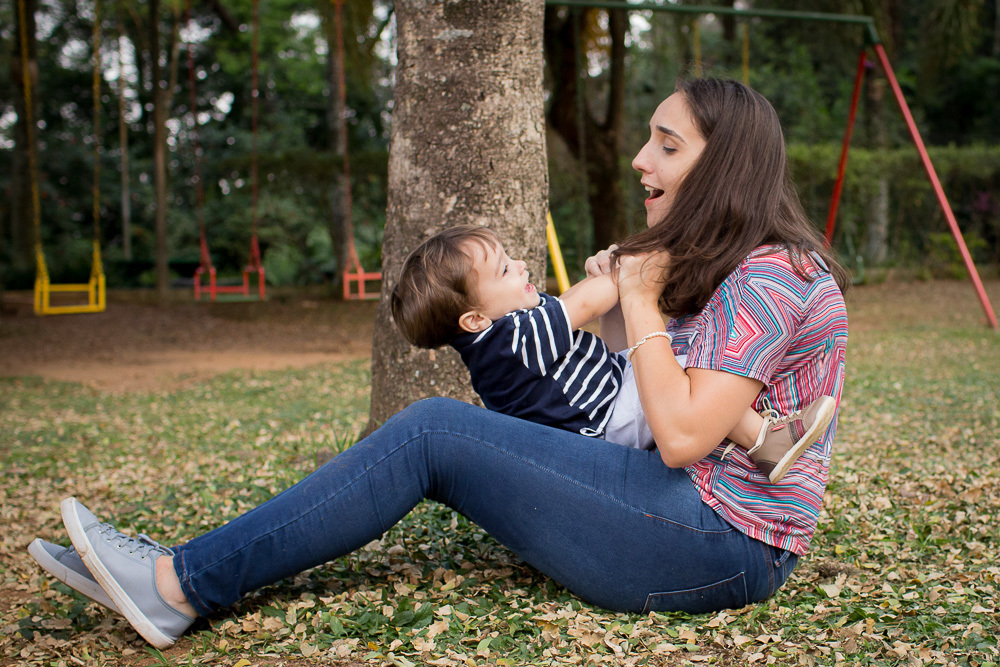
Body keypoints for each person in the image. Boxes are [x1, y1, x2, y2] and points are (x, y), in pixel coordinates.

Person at [29, 78, 848, 651]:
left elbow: (677, 437)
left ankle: (177, 584)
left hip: (717, 542)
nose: (639, 159)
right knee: (447, 433)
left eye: (665, 146)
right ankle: (175, 574)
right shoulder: (731, 262)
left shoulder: (773, 274)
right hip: (685, 513)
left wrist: (637, 295)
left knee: (432, 431)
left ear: (722, 166)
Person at [390, 224, 836, 481]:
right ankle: (767, 440)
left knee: (667, 359)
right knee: (686, 368)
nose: (522, 266)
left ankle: (764, 439)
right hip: (604, 424)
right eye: (505, 269)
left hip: (611, 393)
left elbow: (593, 336)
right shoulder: (508, 344)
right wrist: (632, 267)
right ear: (473, 320)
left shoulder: (506, 332)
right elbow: (582, 303)